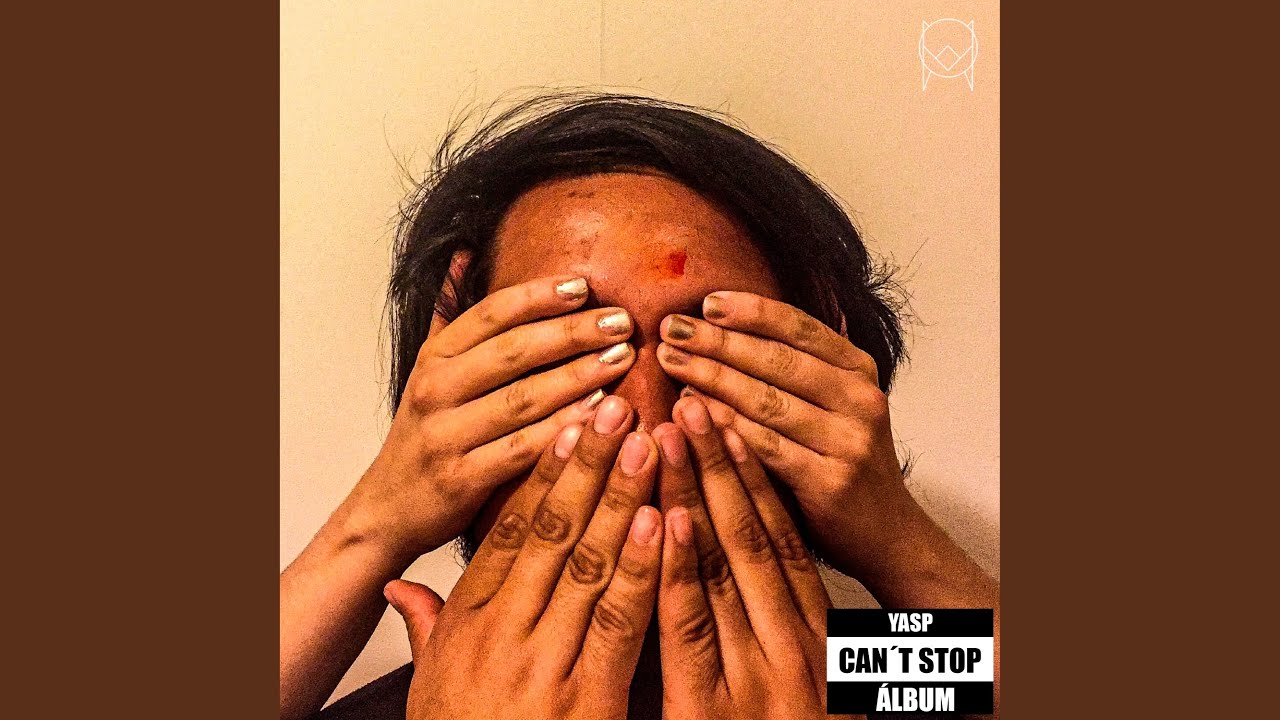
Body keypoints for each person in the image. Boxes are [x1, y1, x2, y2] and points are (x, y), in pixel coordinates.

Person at [280, 93, 1000, 720]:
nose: (647, 435)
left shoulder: (867, 666)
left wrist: (894, 533)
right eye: (563, 359)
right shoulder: (432, 690)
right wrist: (375, 522)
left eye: (717, 354)